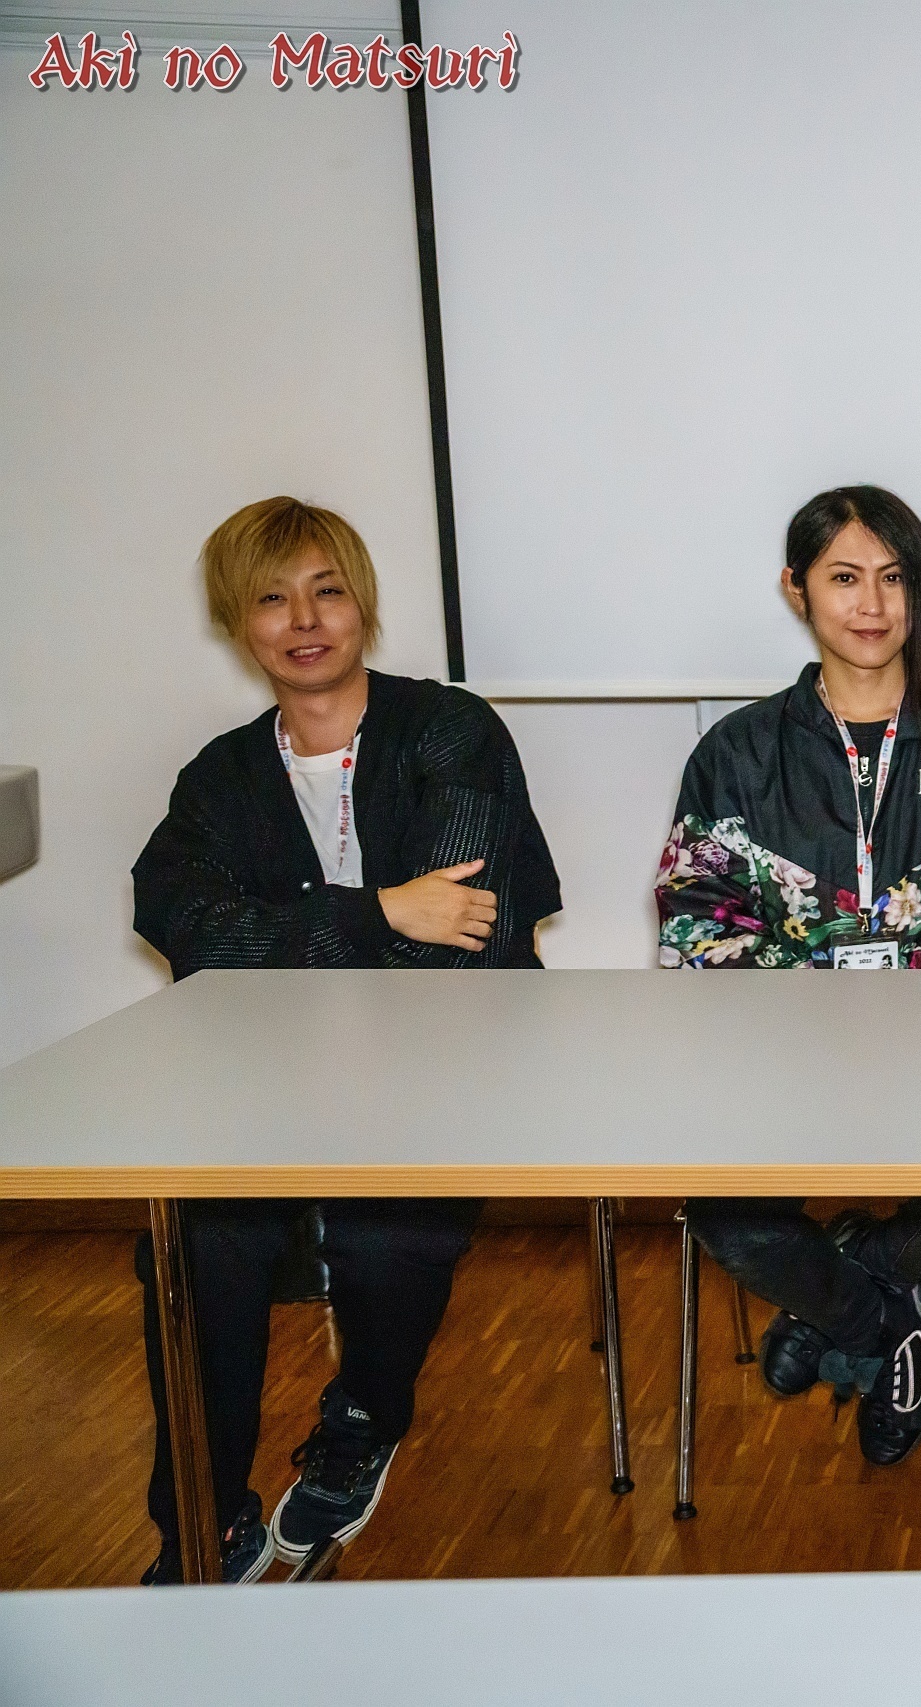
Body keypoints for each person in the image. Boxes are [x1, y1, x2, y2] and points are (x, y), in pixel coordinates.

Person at [130, 496, 560, 1583]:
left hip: (446, 1064)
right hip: (272, 1080)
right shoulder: (219, 778)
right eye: (272, 599)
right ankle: (203, 1524)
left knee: (385, 1223)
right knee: (194, 1239)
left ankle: (362, 1418)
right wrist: (376, 912)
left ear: (362, 603)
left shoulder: (450, 732)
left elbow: (463, 936)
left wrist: (286, 938)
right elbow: (184, 925)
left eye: (327, 591)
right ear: (238, 623)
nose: (304, 619)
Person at [659, 485, 921, 1466]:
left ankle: (844, 1278)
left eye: (895, 579)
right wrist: (816, 988)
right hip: (783, 1067)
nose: (873, 604)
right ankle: (886, 1325)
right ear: (796, 589)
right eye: (845, 577)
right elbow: (695, 923)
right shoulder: (737, 753)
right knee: (729, 1222)